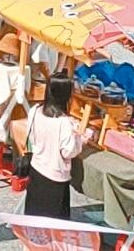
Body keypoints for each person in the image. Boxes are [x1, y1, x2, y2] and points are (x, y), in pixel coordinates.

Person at [24, 74, 82, 219]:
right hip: (55, 174)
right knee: (55, 220)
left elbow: (30, 138)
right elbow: (69, 152)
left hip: (37, 168)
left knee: (34, 214)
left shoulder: (35, 110)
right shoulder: (64, 123)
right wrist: (79, 137)